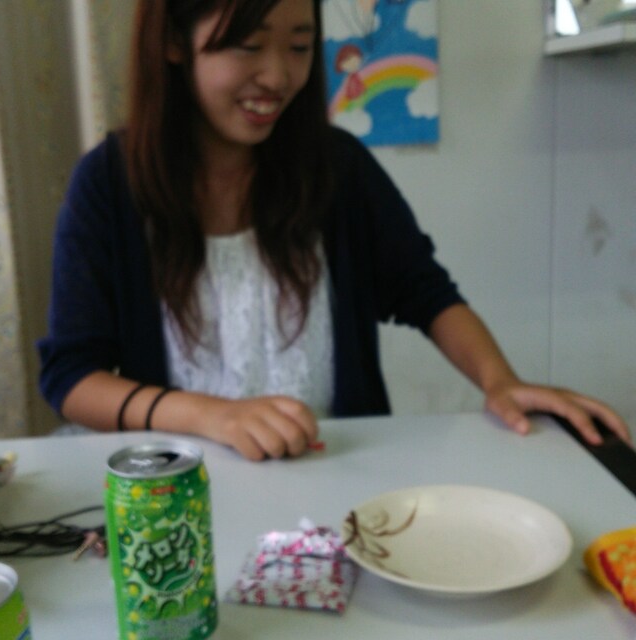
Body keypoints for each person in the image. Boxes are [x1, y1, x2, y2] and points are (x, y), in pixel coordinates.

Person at [38, 0, 631, 461]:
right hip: (183, 494)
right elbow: (72, 378)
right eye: (249, 46)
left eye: (299, 46)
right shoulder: (110, 184)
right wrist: (211, 416)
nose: (278, 75)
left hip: (340, 483)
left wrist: (500, 380)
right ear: (173, 41)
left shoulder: (338, 169)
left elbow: (427, 294)